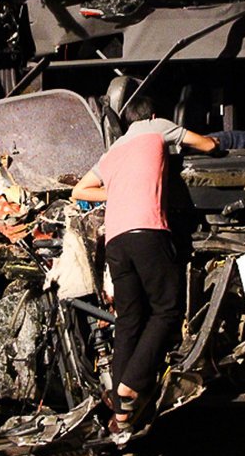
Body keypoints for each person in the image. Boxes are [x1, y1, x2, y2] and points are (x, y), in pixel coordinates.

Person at [71, 96, 217, 435]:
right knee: (167, 310)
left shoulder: (116, 148)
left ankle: (121, 411)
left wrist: (120, 189)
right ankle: (132, 386)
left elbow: (81, 189)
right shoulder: (158, 128)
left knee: (129, 319)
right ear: (152, 114)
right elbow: (207, 144)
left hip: (116, 241)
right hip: (148, 231)